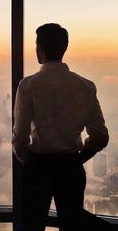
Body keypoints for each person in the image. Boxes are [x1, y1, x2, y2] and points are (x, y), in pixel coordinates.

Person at [12, 23, 114, 231]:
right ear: (64, 48)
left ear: (40, 47)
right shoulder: (85, 86)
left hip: (38, 167)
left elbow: (20, 138)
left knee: (31, 225)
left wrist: (30, 160)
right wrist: (77, 158)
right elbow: (100, 136)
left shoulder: (28, 86)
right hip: (70, 167)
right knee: (72, 224)